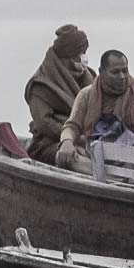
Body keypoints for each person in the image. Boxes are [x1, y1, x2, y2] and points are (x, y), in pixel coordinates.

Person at [55, 51, 134, 171]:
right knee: (65, 157)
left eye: (124, 71)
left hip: (130, 156)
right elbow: (72, 126)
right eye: (115, 72)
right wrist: (67, 141)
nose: (122, 76)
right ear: (101, 71)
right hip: (91, 154)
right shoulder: (86, 94)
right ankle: (108, 176)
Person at [23, 24, 94, 164]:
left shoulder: (89, 77)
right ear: (69, 57)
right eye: (80, 53)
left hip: (88, 141)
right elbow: (45, 123)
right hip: (48, 145)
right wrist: (74, 138)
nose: (84, 57)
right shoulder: (41, 85)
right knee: (74, 157)